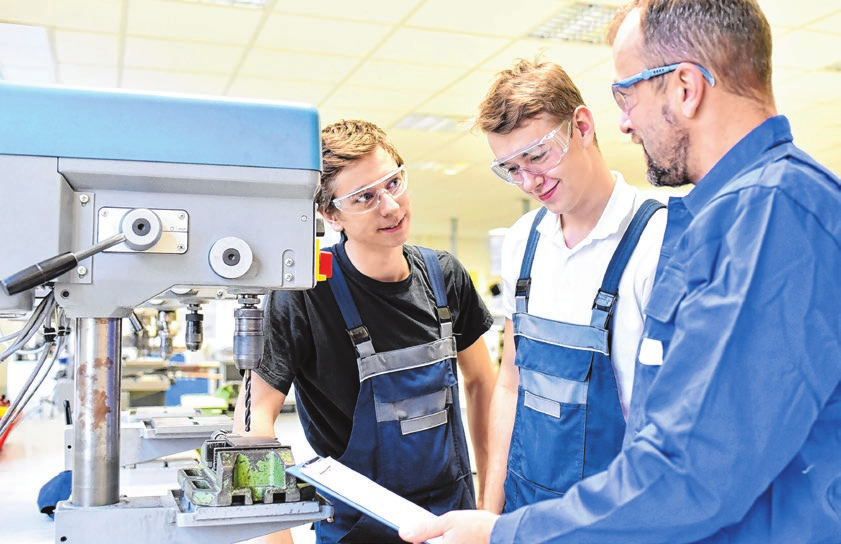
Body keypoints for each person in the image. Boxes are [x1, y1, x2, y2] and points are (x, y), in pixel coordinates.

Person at [399, 0, 841, 543]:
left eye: (626, 94)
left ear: (684, 87)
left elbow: (691, 470)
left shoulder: (773, 214)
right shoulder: (731, 213)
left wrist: (505, 535)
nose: (625, 123)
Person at [234, 119, 496, 544]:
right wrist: (275, 536)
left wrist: (490, 500)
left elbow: (484, 381)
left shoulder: (445, 275)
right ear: (329, 213)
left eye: (393, 183)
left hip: (452, 522)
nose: (390, 207)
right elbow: (252, 422)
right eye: (365, 198)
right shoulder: (305, 295)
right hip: (357, 530)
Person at [474, 58, 666, 515]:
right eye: (510, 168)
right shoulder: (524, 240)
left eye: (537, 155)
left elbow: (667, 418)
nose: (529, 181)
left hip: (617, 516)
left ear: (581, 125)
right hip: (527, 509)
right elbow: (510, 382)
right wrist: (489, 512)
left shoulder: (658, 240)